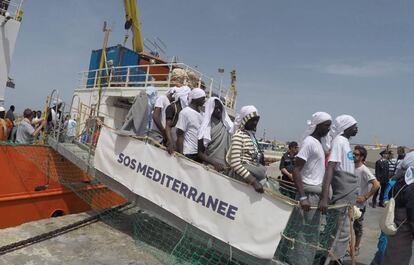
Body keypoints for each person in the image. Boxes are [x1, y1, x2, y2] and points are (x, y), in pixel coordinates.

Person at [277, 112, 331, 265]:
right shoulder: (309, 142)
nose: (328, 129)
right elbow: (295, 170)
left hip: (315, 194)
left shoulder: (318, 144)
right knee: (302, 233)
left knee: (310, 234)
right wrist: (302, 197)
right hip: (308, 195)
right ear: (317, 125)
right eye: (326, 125)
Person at [319, 115, 359, 264]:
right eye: (354, 125)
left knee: (343, 231)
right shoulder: (339, 141)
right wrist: (324, 196)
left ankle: (335, 259)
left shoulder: (345, 142)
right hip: (342, 193)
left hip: (348, 191)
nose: (357, 129)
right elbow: (331, 167)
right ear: (346, 127)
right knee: (339, 231)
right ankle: (332, 260)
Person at [382, 151, 414, 265]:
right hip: (404, 232)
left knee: (390, 255)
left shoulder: (399, 181)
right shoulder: (411, 187)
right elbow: (412, 215)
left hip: (395, 227)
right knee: (400, 258)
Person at [227, 105, 266, 193]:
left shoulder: (252, 137)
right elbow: (235, 163)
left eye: (256, 120)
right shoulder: (239, 136)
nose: (255, 122)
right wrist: (254, 181)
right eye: (252, 120)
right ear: (245, 120)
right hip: (242, 180)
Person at [353, 145, 380, 256]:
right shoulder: (350, 166)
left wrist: (365, 197)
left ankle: (356, 247)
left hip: (359, 206)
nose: (354, 156)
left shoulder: (364, 170)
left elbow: (376, 184)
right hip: (349, 203)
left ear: (362, 157)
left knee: (357, 227)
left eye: (356, 154)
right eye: (353, 154)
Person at [197, 97, 233, 172]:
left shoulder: (228, 127)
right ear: (211, 109)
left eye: (220, 108)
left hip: (226, 169)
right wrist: (215, 163)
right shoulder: (204, 128)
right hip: (210, 167)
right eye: (216, 108)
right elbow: (200, 153)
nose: (219, 111)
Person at [176, 88, 206, 161]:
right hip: (188, 153)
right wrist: (180, 154)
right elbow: (180, 134)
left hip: (199, 154)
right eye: (202, 98)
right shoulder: (185, 112)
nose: (204, 100)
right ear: (195, 98)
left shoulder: (203, 114)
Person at [165, 86, 191, 154]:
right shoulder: (172, 107)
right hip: (172, 138)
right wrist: (170, 142)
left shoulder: (184, 110)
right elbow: (168, 126)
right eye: (187, 97)